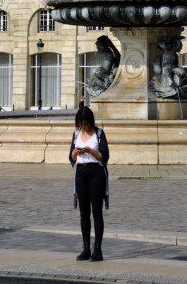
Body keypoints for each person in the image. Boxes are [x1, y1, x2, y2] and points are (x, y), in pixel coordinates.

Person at [69, 106, 109, 262]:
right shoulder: (76, 134)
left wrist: (90, 151)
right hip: (80, 173)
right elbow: (71, 158)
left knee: (96, 212)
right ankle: (85, 248)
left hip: (96, 173)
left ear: (91, 122)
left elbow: (105, 157)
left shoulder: (99, 133)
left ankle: (97, 249)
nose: (83, 127)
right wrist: (74, 153)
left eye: (86, 124)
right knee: (83, 213)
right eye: (81, 124)